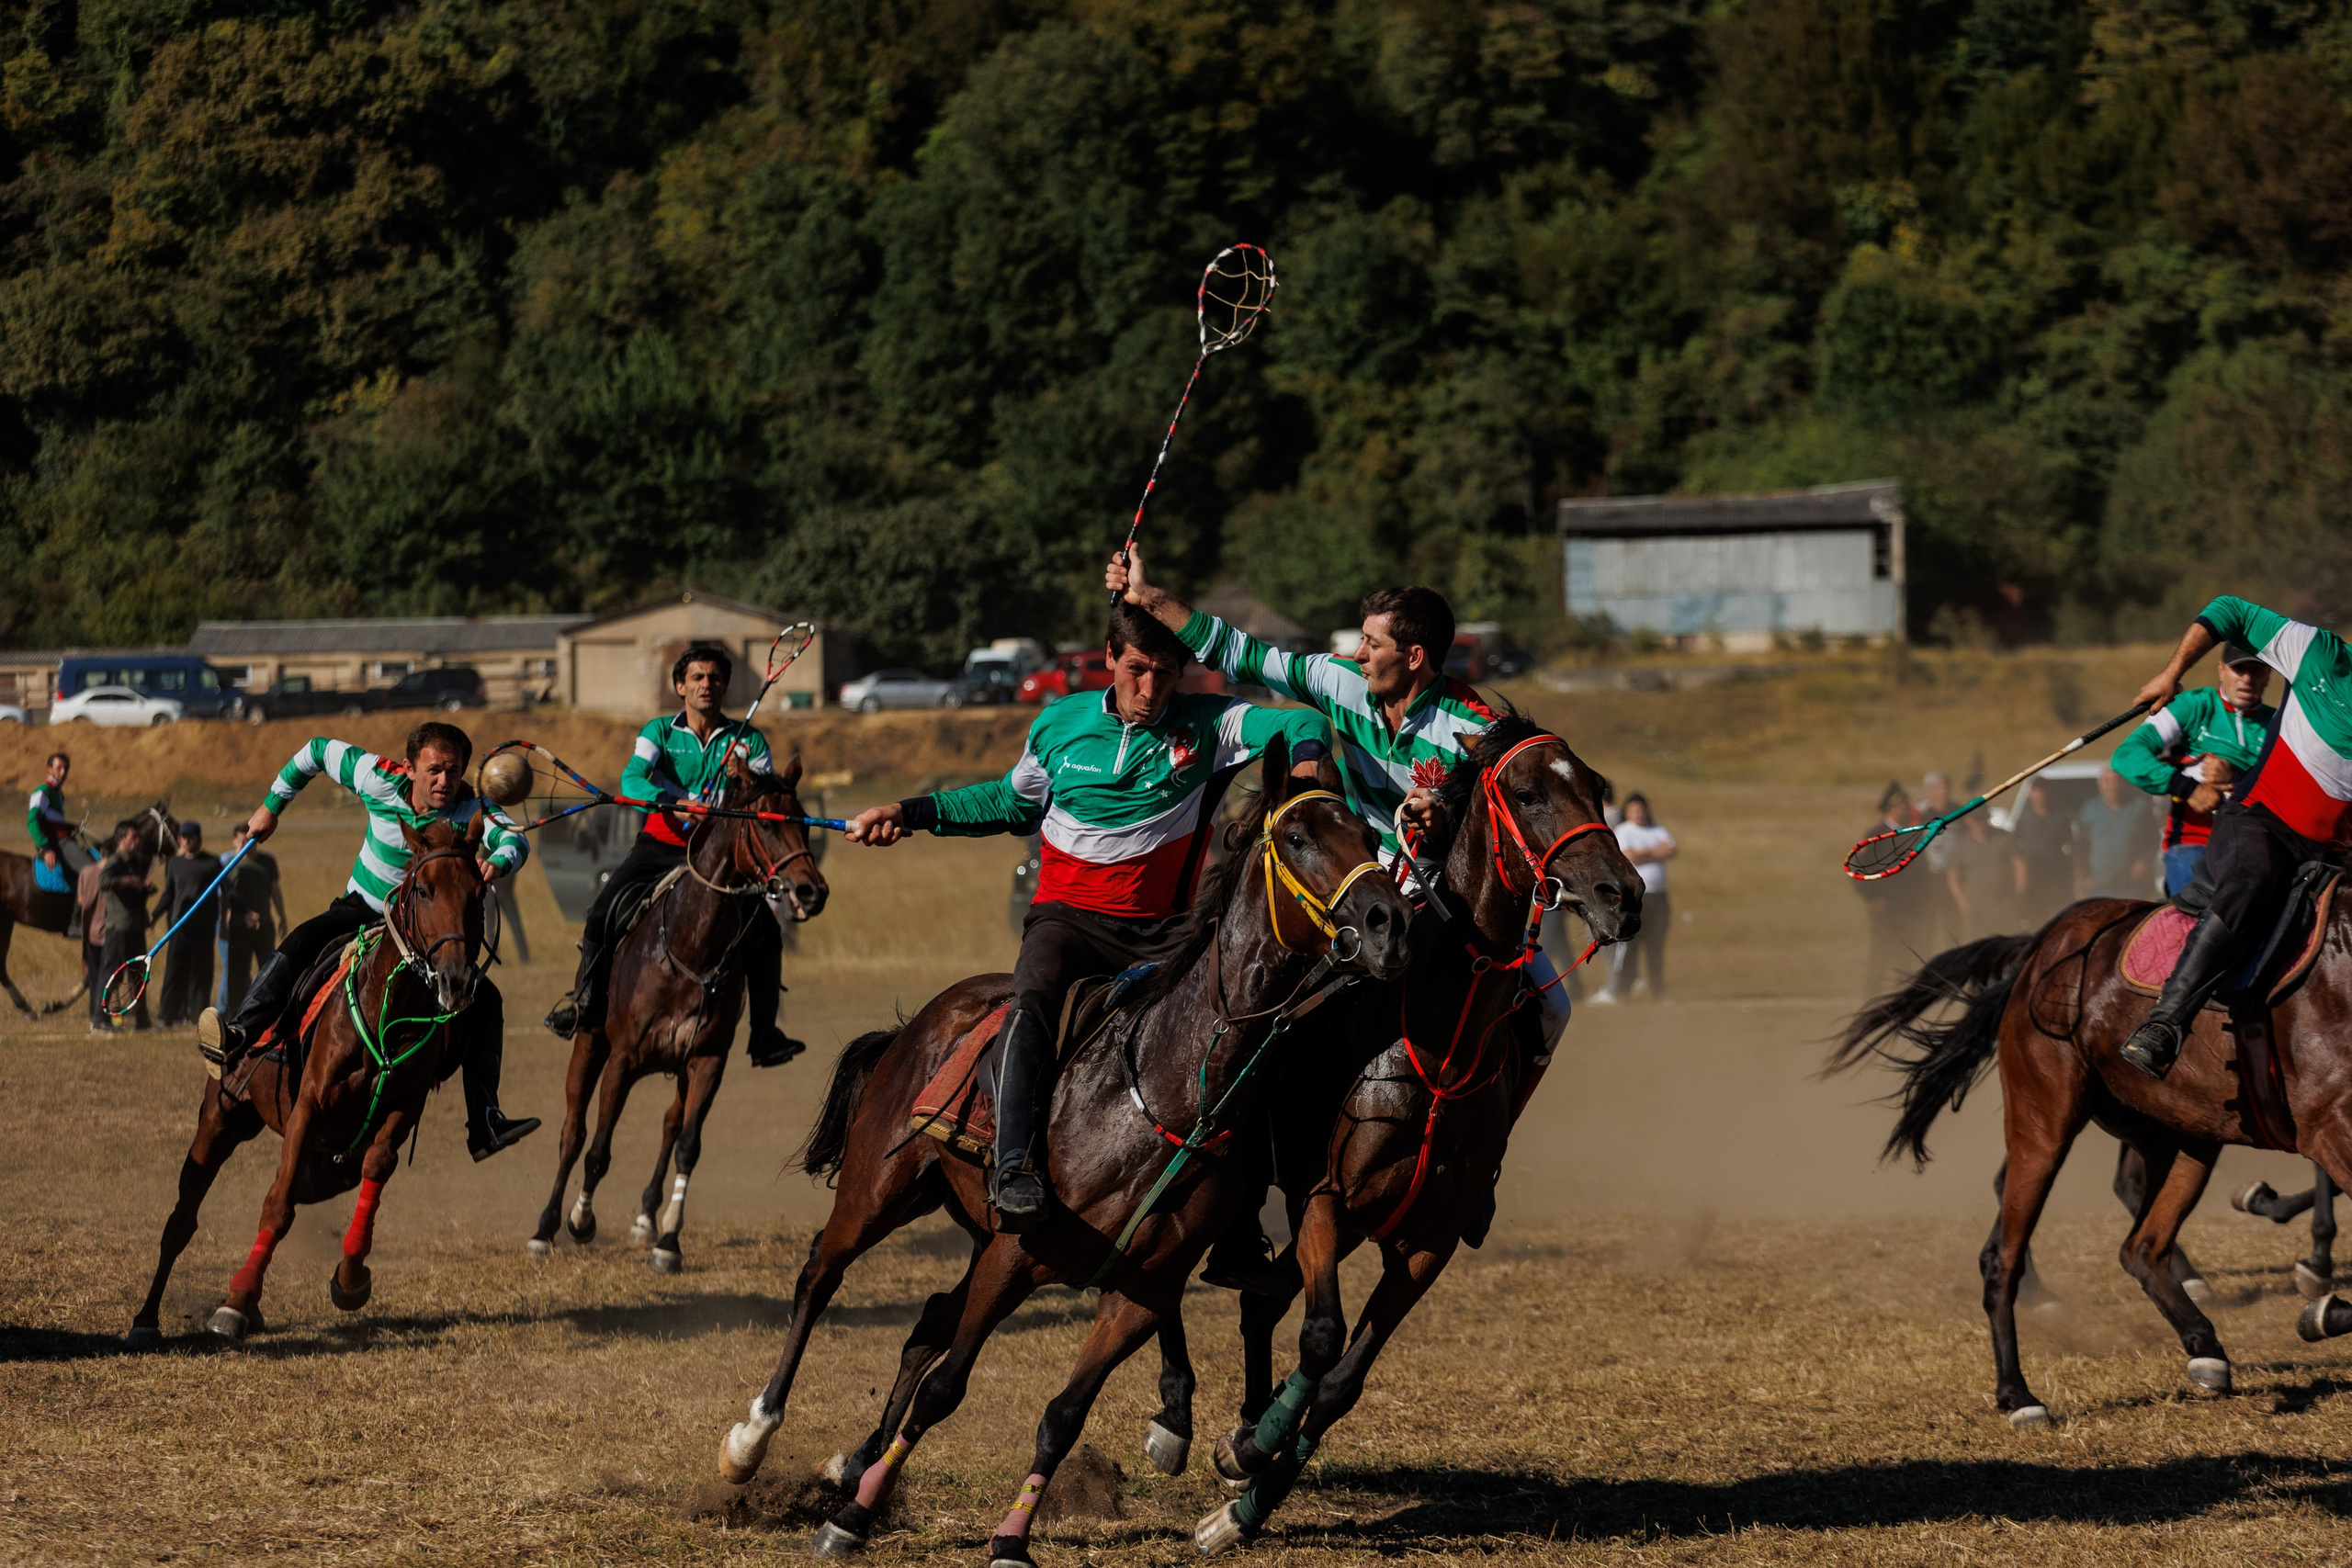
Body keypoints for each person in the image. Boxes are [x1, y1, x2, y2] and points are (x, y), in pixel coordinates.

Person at [1106, 546, 1577, 1286]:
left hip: (1448, 902)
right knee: (1276, 1013)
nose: (1358, 654)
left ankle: (1480, 1164)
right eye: (1361, 641)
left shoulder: (1475, 719)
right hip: (1356, 892)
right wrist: (1152, 595)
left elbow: (1514, 790)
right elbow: (1243, 652)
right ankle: (1239, 1204)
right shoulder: (1339, 683)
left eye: (1373, 643)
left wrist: (1447, 800)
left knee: (1553, 1006)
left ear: (1414, 656)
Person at [843, 599, 1332, 1234]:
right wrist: (906, 813)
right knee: (1034, 999)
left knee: (1247, 1028)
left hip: (1167, 932)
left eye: (1165, 673)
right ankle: (1013, 1165)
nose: (1150, 688)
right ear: (1108, 658)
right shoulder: (1059, 723)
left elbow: (1299, 723)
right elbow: (1007, 802)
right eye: (1136, 669)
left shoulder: (1210, 723)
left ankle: (1239, 1227)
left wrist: (1304, 776)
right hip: (1067, 922)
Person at [197, 723, 539, 1160]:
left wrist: (501, 860)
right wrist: (271, 808)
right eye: (433, 770)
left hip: (423, 938)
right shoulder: (378, 778)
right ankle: (241, 1033)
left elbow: (512, 838)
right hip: (362, 912)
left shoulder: (472, 808)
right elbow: (316, 750)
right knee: (303, 939)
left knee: (486, 1000)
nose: (443, 781)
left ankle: (486, 1119)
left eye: (453, 771)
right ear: (411, 768)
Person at [2125, 597, 2352, 1077]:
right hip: (2258, 823)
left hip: (2334, 854)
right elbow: (2229, 609)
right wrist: (2170, 675)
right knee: (2253, 880)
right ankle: (2166, 1022)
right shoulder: (2319, 654)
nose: (2248, 679)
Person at [543, 645, 799, 1066]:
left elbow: (764, 797)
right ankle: (585, 1004)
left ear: (725, 686)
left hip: (719, 857)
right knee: (601, 914)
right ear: (680, 686)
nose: (706, 685)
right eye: (697, 678)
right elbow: (632, 779)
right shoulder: (658, 732)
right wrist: (672, 803)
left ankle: (765, 1034)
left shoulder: (748, 740)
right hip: (661, 845)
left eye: (714, 678)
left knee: (767, 936)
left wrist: (744, 779)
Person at [2111, 644, 2277, 897]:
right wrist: (2187, 788)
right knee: (2204, 917)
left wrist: (2235, 777)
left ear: (2268, 676)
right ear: (2221, 670)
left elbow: (2291, 793)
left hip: (2257, 848)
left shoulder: (2279, 726)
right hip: (2194, 845)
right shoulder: (2194, 706)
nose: (2247, 678)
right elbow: (2127, 755)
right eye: (2239, 669)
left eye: (2256, 670)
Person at [1591, 793, 1674, 1003]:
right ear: (1627, 811)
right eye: (1635, 809)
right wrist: (1655, 852)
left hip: (1660, 896)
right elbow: (1628, 855)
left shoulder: (1657, 829)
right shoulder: (1623, 831)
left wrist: (1644, 853)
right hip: (1637, 897)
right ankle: (1623, 991)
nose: (1639, 813)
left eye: (1642, 809)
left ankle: (1659, 992)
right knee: (1631, 945)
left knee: (1655, 947)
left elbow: (1672, 849)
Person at [1858, 782, 1933, 993]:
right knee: (1879, 959)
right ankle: (1869, 1002)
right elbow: (1859, 872)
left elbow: (1921, 873)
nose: (1907, 808)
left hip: (1909, 909)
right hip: (1885, 909)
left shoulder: (1911, 835)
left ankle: (1903, 1004)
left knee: (1906, 961)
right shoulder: (1875, 836)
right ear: (1893, 807)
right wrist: (1871, 899)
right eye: (1903, 805)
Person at [151, 820, 221, 1026]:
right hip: (179, 927)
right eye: (183, 837)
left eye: (190, 837)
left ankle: (199, 1016)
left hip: (204, 927)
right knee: (174, 972)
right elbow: (168, 894)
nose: (186, 841)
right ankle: (168, 1015)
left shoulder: (212, 863)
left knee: (202, 973)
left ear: (199, 838)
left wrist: (242, 912)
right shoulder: (174, 863)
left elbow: (227, 891)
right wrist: (154, 915)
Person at [215, 820, 285, 1015]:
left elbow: (275, 891)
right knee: (237, 973)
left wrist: (282, 917)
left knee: (268, 971)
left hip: (264, 925)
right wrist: (223, 924)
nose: (248, 844)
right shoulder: (230, 864)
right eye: (243, 840)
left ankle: (269, 1011)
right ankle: (234, 1014)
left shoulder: (267, 861)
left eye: (251, 840)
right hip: (238, 926)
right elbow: (224, 897)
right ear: (235, 841)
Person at [94, 820, 154, 1032]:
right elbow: (103, 882)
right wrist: (128, 881)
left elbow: (135, 892)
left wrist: (145, 887)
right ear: (121, 840)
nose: (137, 842)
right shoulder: (116, 862)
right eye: (133, 838)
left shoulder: (135, 861)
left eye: (138, 838)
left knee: (139, 974)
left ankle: (142, 1020)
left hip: (136, 926)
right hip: (118, 927)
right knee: (112, 973)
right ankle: (99, 1019)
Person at [2074, 768, 2158, 899]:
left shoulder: (2139, 807)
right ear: (2099, 783)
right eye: (2107, 781)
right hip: (2098, 885)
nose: (2113, 786)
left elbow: (2153, 838)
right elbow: (2080, 846)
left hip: (2131, 885)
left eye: (2117, 781)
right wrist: (2083, 877)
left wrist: (2144, 861)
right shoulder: (2088, 809)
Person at [28, 751, 88, 923]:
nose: (63, 773)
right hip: (57, 844)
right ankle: (76, 922)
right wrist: (46, 848)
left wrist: (69, 827)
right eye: (59, 768)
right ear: (49, 769)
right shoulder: (42, 792)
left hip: (63, 839)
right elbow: (32, 821)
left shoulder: (59, 794)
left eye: (65, 769)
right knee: (91, 870)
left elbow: (52, 821)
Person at [2008, 778, 2074, 925]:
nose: (2040, 795)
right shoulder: (2024, 819)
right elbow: (2015, 850)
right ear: (2030, 793)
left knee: (2059, 918)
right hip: (2033, 878)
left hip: (2057, 877)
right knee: (2035, 919)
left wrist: (2076, 877)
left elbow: (2072, 848)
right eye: (2036, 791)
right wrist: (2020, 877)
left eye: (2043, 791)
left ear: (2049, 793)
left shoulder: (2061, 817)